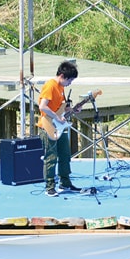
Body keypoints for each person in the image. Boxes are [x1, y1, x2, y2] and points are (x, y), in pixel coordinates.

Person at [37, 60, 81, 197]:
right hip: (48, 125)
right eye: (70, 80)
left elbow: (60, 108)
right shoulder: (50, 86)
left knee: (65, 155)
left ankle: (65, 182)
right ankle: (49, 186)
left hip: (59, 126)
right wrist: (56, 117)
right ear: (62, 76)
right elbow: (43, 106)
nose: (70, 84)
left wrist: (73, 109)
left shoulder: (61, 87)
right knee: (51, 157)